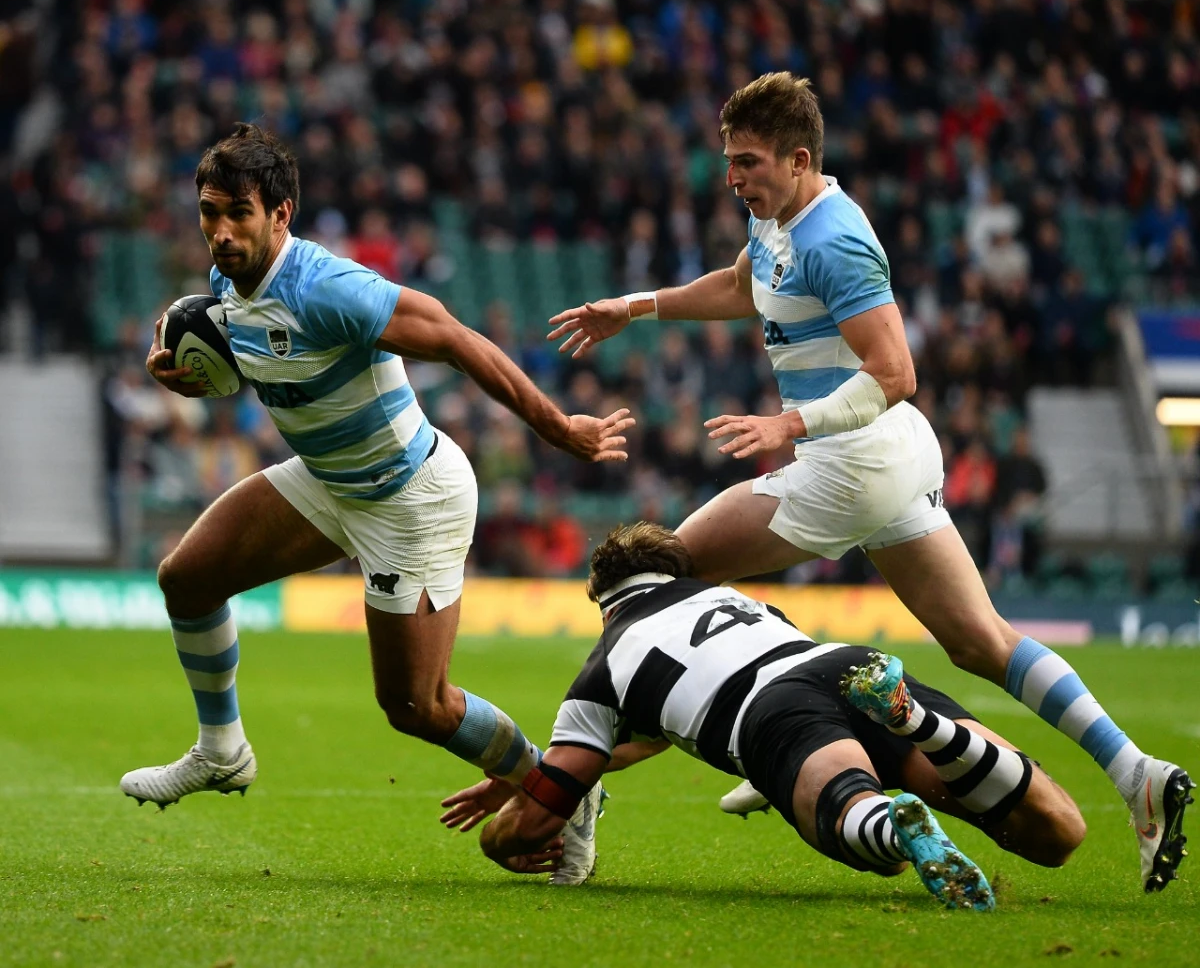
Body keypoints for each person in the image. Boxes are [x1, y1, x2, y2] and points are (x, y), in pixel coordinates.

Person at [547, 73, 1192, 893]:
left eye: (747, 162)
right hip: (882, 460)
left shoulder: (835, 239)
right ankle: (1137, 772)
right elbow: (741, 287)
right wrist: (631, 307)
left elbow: (897, 369)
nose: (733, 178)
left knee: (660, 577)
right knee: (980, 640)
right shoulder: (775, 215)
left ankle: (607, 776)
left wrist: (789, 426)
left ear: (800, 157)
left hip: (854, 456)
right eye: (728, 162)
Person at [120, 124, 633, 834]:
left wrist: (557, 427)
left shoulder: (328, 288)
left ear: (281, 215)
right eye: (210, 212)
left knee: (419, 705)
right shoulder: (224, 281)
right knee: (188, 576)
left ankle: (560, 790)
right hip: (331, 481)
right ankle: (221, 750)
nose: (221, 231)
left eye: (239, 212)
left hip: (408, 496)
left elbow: (454, 337)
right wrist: (167, 364)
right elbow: (219, 336)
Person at [439, 522, 1088, 910]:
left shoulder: (605, 666)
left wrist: (503, 838)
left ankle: (892, 822)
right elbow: (653, 732)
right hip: (842, 662)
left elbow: (543, 815)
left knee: (862, 832)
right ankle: (923, 728)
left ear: (601, 597)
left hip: (772, 712)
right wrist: (550, 767)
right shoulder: (735, 599)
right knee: (1055, 833)